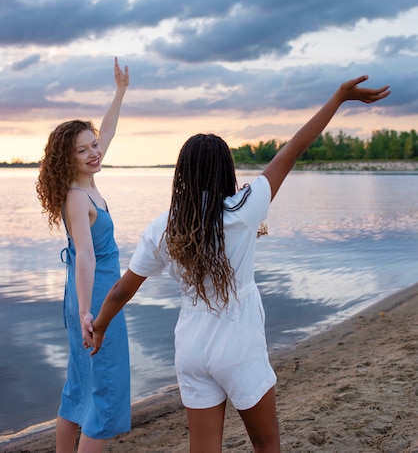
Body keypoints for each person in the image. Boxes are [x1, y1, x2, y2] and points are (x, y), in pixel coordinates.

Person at [89, 74, 390, 453]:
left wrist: (98, 326)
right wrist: (339, 97)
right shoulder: (245, 209)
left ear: (181, 173)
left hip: (191, 348)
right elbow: (293, 150)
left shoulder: (163, 227)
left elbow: (121, 290)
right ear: (225, 170)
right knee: (266, 445)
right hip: (238, 342)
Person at [36, 57, 130, 453]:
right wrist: (90, 313)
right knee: (104, 391)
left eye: (94, 146)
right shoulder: (77, 198)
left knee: (79, 384)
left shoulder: (86, 182)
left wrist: (120, 92)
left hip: (86, 298)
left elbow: (105, 131)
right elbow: (87, 258)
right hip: (96, 298)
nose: (95, 152)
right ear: (67, 159)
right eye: (84, 150)